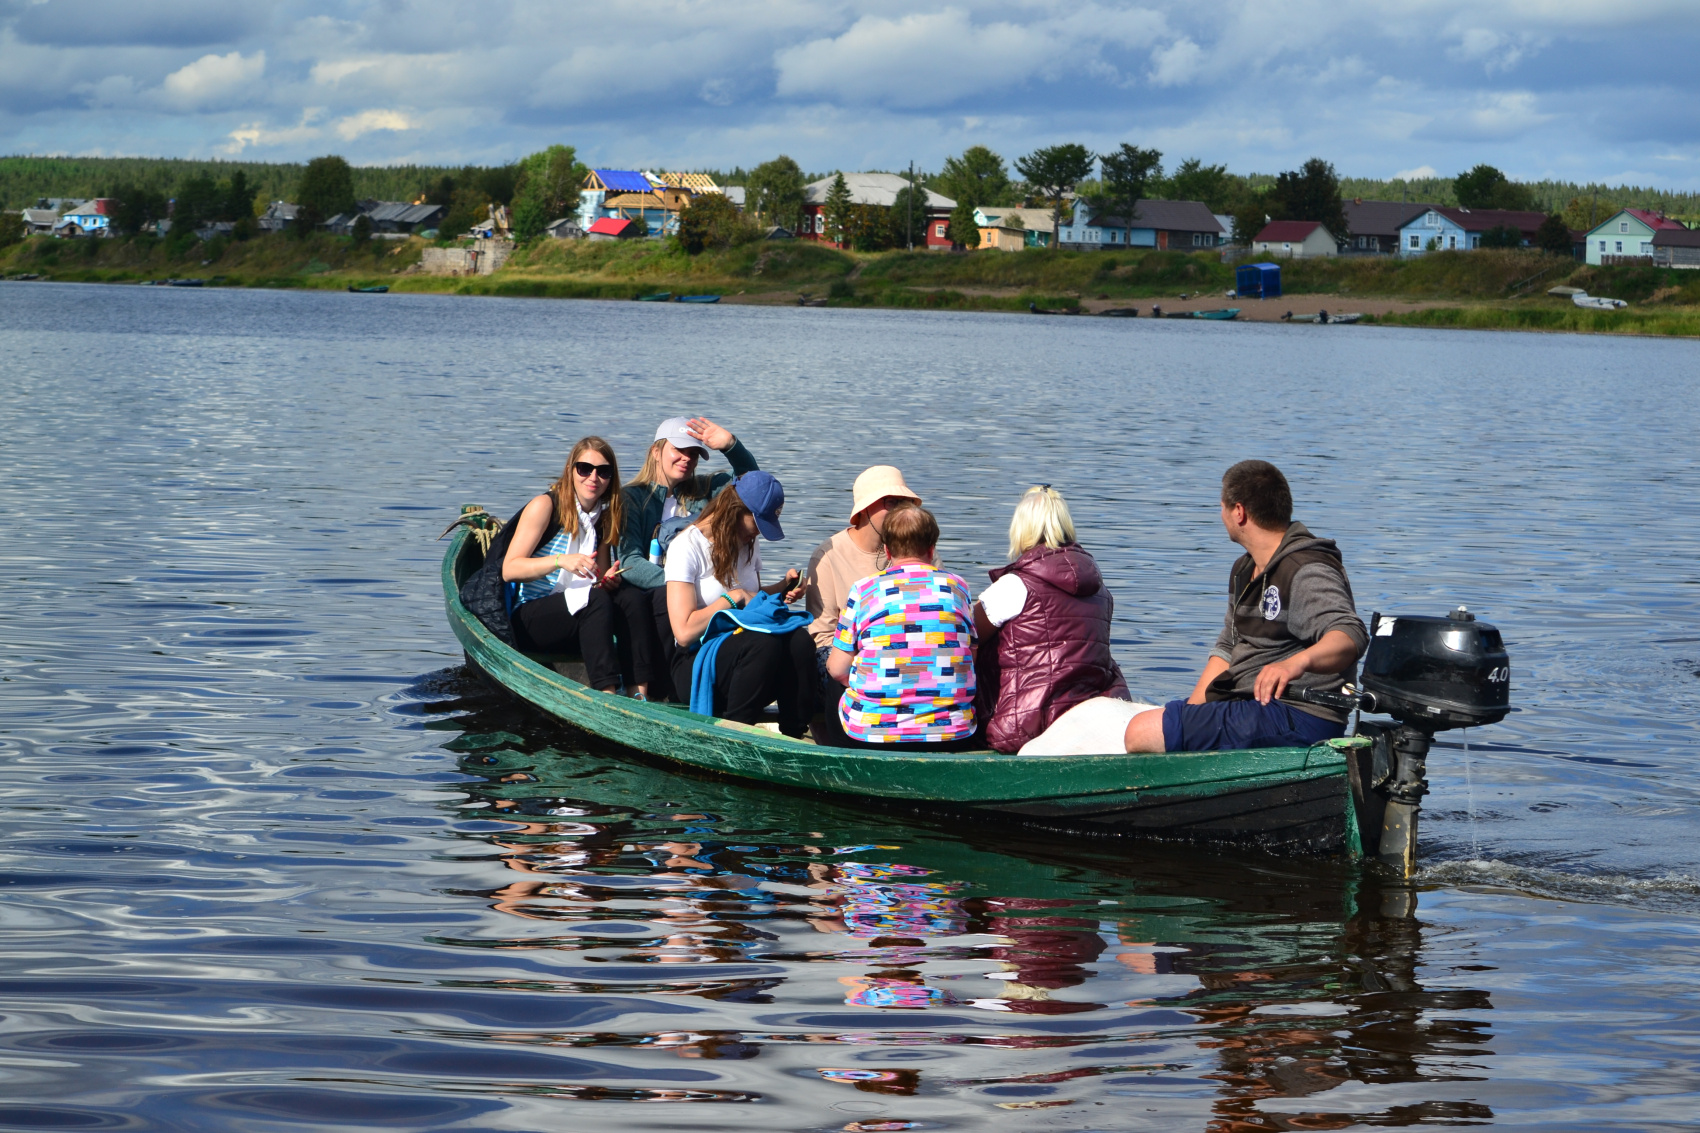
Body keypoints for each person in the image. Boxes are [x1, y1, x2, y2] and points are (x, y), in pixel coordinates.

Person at [1122, 460, 1366, 753]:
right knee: (1161, 722)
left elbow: (1350, 635)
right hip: (1252, 705)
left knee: (1140, 732)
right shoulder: (1244, 569)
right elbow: (1229, 647)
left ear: (1239, 512)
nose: (1221, 514)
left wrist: (1295, 664)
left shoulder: (1305, 568)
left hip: (1300, 714)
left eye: (1222, 506)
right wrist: (1193, 711)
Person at [973, 485, 1130, 753]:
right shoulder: (1101, 590)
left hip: (1025, 724)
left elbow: (966, 633)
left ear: (1022, 529)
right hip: (1090, 715)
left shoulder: (1014, 586)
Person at [613, 416, 759, 700]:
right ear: (656, 451)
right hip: (650, 590)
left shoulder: (708, 490)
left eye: (693, 454)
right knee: (653, 600)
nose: (686, 459)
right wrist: (679, 584)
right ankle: (647, 691)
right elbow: (629, 559)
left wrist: (731, 446)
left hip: (693, 592)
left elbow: (754, 487)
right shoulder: (631, 497)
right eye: (678, 450)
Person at [665, 471, 815, 735]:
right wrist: (732, 598)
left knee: (801, 641)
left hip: (745, 651)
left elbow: (752, 598)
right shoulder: (685, 547)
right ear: (735, 510)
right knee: (764, 645)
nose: (759, 533)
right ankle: (735, 736)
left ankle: (794, 733)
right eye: (758, 523)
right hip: (696, 662)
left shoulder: (748, 541)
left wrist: (782, 588)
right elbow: (684, 632)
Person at [827, 506, 979, 749]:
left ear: (887, 550)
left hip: (873, 734)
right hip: (951, 733)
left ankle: (836, 757)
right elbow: (970, 655)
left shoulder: (863, 590)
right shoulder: (958, 587)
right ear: (931, 549)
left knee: (833, 679)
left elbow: (836, 669)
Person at [803, 466, 923, 740]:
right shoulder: (828, 555)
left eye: (903, 504)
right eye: (891, 503)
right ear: (865, 509)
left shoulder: (918, 548)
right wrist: (869, 662)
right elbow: (821, 637)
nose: (898, 512)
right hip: (849, 661)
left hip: (908, 658)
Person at [500, 437, 626, 693]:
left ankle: (640, 689)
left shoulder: (602, 518)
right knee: (596, 601)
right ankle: (608, 694)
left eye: (603, 471)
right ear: (571, 470)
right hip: (529, 617)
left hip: (574, 612)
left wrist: (609, 582)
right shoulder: (545, 506)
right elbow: (509, 569)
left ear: (611, 478)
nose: (593, 477)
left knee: (628, 601)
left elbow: (596, 581)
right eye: (584, 469)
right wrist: (560, 561)